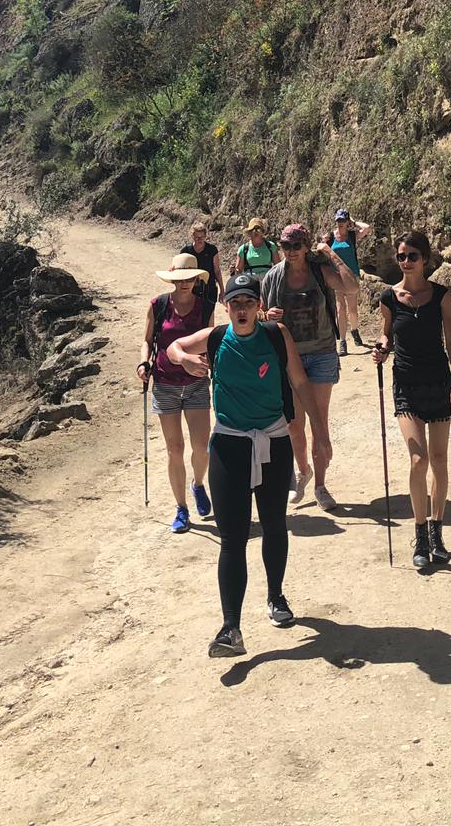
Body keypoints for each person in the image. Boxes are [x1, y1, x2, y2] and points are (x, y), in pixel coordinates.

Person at [171, 273, 332, 657]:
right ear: (226, 307)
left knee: (276, 524)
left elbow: (299, 381)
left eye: (248, 302)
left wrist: (320, 432)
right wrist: (187, 360)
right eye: (235, 303)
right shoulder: (215, 338)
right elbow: (174, 348)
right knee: (233, 537)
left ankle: (276, 596)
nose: (242, 309)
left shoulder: (277, 335)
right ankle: (231, 628)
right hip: (229, 445)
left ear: (259, 307)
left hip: (274, 442)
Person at [372, 230, 451, 573]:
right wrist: (381, 348)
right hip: (406, 383)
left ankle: (437, 532)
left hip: (438, 382)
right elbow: (386, 333)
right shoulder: (389, 297)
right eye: (401, 256)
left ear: (425, 259)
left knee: (439, 459)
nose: (405, 262)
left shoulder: (441, 296)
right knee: (419, 459)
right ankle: (420, 534)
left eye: (412, 256)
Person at [260, 223, 357, 511]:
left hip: (322, 353)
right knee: (293, 424)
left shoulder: (319, 271)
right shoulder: (272, 277)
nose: (290, 252)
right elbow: (261, 315)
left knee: (319, 421)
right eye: (285, 246)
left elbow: (351, 286)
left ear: (306, 246)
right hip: (288, 357)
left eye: (296, 246)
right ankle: (303, 471)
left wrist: (330, 253)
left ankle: (320, 486)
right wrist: (268, 314)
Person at [137, 252, 214, 533]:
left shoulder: (205, 308)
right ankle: (181, 508)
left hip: (195, 384)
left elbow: (209, 342)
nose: (185, 283)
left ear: (197, 279)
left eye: (190, 278)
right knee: (175, 449)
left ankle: (198, 484)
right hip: (165, 384)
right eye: (180, 278)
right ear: (173, 279)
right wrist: (143, 363)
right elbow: (147, 341)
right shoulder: (158, 305)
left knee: (201, 448)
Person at [328, 208, 371, 356]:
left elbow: (367, 228)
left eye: (342, 221)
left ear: (347, 222)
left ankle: (354, 330)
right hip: (337, 277)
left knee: (352, 310)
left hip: (351, 276)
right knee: (340, 309)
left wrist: (353, 222)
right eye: (338, 220)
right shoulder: (331, 237)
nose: (340, 223)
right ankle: (343, 342)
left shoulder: (352, 236)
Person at [181, 220, 225, 307]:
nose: (199, 240)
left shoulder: (212, 250)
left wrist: (222, 290)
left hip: (209, 289)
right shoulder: (185, 251)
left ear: (205, 236)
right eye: (196, 237)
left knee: (208, 317)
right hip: (191, 290)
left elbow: (217, 271)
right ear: (192, 236)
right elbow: (180, 272)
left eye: (201, 237)